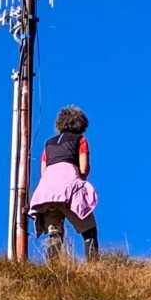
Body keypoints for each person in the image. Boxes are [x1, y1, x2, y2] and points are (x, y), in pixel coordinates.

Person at [29, 105, 99, 260]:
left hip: (45, 193)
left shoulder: (48, 144)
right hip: (69, 190)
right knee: (89, 230)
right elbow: (84, 167)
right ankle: (95, 267)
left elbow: (43, 171)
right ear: (81, 124)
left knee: (54, 234)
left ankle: (51, 270)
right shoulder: (80, 140)